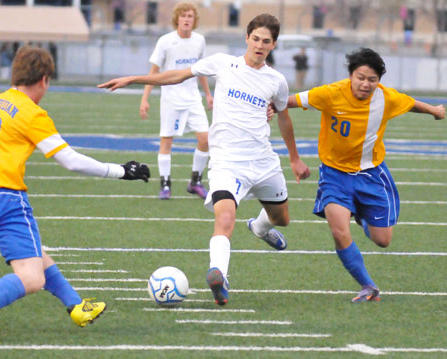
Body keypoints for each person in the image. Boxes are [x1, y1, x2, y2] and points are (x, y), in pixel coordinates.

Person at [0, 45, 150, 343]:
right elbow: (71, 161)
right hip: (5, 201)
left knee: (35, 253)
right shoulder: (32, 113)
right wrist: (121, 171)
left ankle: (76, 305)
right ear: (44, 80)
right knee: (32, 277)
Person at [100, 13, 310, 306]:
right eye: (255, 39)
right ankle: (219, 277)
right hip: (226, 163)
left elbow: (283, 117)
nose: (259, 45)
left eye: (266, 41)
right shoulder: (223, 63)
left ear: (273, 45)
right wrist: (135, 79)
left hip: (263, 162)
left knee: (282, 219)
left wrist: (295, 158)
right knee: (224, 219)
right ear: (246, 38)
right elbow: (177, 75)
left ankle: (260, 227)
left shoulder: (276, 81)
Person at [287, 48, 445, 302]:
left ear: (378, 81)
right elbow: (291, 101)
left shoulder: (386, 98)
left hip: (370, 175)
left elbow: (410, 103)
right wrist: (272, 107)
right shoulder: (329, 93)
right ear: (351, 75)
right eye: (360, 77)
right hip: (334, 175)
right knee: (338, 231)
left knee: (383, 240)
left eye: (372, 79)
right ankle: (368, 286)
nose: (365, 84)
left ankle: (360, 215)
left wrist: (435, 111)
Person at [139, 2, 213, 200]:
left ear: (194, 20)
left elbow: (201, 70)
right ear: (177, 19)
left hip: (193, 99)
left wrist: (208, 94)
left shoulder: (199, 41)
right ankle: (165, 184)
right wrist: (144, 98)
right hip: (171, 100)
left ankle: (195, 182)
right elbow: (153, 73)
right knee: (166, 142)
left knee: (206, 139)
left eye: (190, 16)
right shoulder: (165, 41)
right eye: (183, 16)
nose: (187, 19)